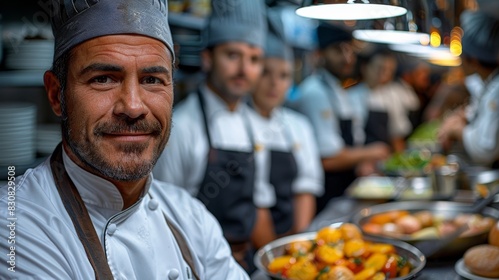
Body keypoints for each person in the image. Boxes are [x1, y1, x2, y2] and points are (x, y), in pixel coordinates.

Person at [0, 0, 249, 279]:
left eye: (152, 80)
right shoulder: (14, 225)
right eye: (104, 78)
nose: (133, 106)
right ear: (57, 95)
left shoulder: (192, 218)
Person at [153, 0, 267, 272]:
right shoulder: (181, 126)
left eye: (254, 59)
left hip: (245, 263)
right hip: (192, 265)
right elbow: (159, 217)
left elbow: (260, 206)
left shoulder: (254, 125)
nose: (244, 69)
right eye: (232, 55)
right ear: (207, 59)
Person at [293, 22, 391, 213]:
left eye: (350, 50)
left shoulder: (339, 90)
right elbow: (327, 159)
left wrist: (362, 163)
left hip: (345, 192)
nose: (347, 58)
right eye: (338, 50)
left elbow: (352, 141)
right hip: (325, 197)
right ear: (319, 55)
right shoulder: (315, 93)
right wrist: (372, 152)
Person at [246, 9, 324, 250]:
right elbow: (253, 200)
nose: (274, 83)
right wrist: (272, 254)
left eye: (283, 76)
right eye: (266, 73)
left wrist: (299, 243)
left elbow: (305, 187)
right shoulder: (238, 124)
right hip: (250, 244)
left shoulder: (298, 125)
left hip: (292, 238)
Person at [438, 10, 499, 167]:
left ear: (473, 60)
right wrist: (463, 117)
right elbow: (479, 108)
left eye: (461, 54)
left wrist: (457, 130)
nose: (459, 60)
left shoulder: (497, 89)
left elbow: (485, 151)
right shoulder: (489, 83)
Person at [349, 46, 414, 153]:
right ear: (365, 67)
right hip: (359, 157)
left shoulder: (392, 95)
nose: (384, 75)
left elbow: (397, 136)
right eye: (380, 68)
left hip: (384, 156)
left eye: (389, 71)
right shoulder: (352, 96)